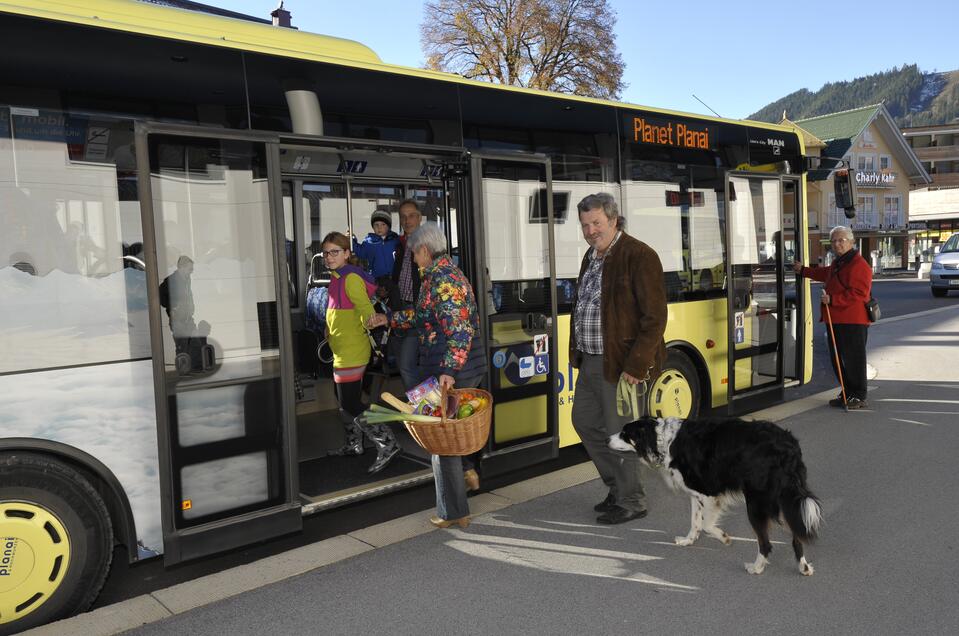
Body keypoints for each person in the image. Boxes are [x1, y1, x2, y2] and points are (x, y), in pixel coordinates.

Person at [367, 223, 487, 528]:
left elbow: (459, 329)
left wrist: (448, 371)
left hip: (450, 367)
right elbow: (423, 316)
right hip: (456, 364)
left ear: (423, 250)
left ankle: (453, 511)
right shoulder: (440, 275)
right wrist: (389, 318)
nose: (412, 258)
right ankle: (462, 486)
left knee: (439, 439)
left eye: (413, 253)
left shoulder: (442, 280)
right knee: (445, 435)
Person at [569, 193, 667, 525]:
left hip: (622, 364)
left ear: (613, 220)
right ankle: (617, 487)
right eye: (585, 224)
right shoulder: (592, 256)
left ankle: (632, 500)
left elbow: (655, 317)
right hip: (591, 360)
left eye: (596, 222)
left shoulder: (639, 255)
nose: (590, 230)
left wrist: (637, 365)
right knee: (583, 421)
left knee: (620, 433)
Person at [321, 232, 400, 473]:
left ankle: (388, 443)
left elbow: (366, 308)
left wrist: (371, 319)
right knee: (344, 400)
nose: (329, 256)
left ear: (347, 253)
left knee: (351, 403)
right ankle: (354, 444)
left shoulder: (350, 278)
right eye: (326, 252)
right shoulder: (337, 277)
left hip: (352, 350)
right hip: (342, 349)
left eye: (335, 251)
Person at [793, 225, 872, 409]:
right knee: (838, 359)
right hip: (837, 319)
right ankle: (848, 392)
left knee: (853, 360)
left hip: (852, 321)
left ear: (851, 242)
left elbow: (859, 293)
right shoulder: (841, 262)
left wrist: (833, 299)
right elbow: (825, 273)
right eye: (834, 240)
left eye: (841, 240)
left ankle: (858, 396)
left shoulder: (859, 264)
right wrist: (803, 271)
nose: (837, 244)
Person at [388, 200, 424, 389]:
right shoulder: (401, 244)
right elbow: (399, 276)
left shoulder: (426, 243)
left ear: (419, 218)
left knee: (407, 365)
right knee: (404, 364)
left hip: (417, 310)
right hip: (399, 307)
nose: (407, 220)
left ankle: (421, 411)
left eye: (411, 216)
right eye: (403, 216)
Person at [352, 209, 400, 282]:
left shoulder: (395, 240)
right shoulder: (369, 242)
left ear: (389, 226)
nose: (379, 227)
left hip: (394, 278)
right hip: (376, 278)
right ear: (372, 226)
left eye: (383, 224)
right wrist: (352, 240)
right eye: (376, 224)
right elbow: (360, 252)